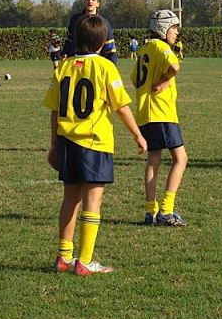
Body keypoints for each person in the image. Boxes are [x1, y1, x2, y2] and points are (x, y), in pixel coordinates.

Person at [43, 14, 147, 275]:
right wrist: (138, 135)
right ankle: (85, 260)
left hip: (67, 140)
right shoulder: (105, 67)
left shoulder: (63, 67)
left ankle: (64, 257)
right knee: (92, 201)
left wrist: (54, 144)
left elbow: (55, 110)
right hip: (94, 141)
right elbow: (121, 107)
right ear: (103, 42)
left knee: (70, 200)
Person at [131, 9, 189, 226]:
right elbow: (175, 66)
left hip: (145, 112)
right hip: (161, 112)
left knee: (153, 160)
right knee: (180, 159)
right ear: (164, 29)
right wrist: (165, 80)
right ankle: (166, 210)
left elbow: (135, 80)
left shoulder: (145, 49)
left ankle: (150, 211)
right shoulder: (161, 47)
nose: (176, 33)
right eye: (174, 28)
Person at [61, 0, 117, 64]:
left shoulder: (104, 23)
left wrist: (112, 64)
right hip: (75, 61)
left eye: (93, 0)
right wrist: (64, 52)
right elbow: (69, 39)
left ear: (98, 4)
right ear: (84, 2)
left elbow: (110, 47)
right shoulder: (75, 19)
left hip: (95, 63)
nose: (90, 1)